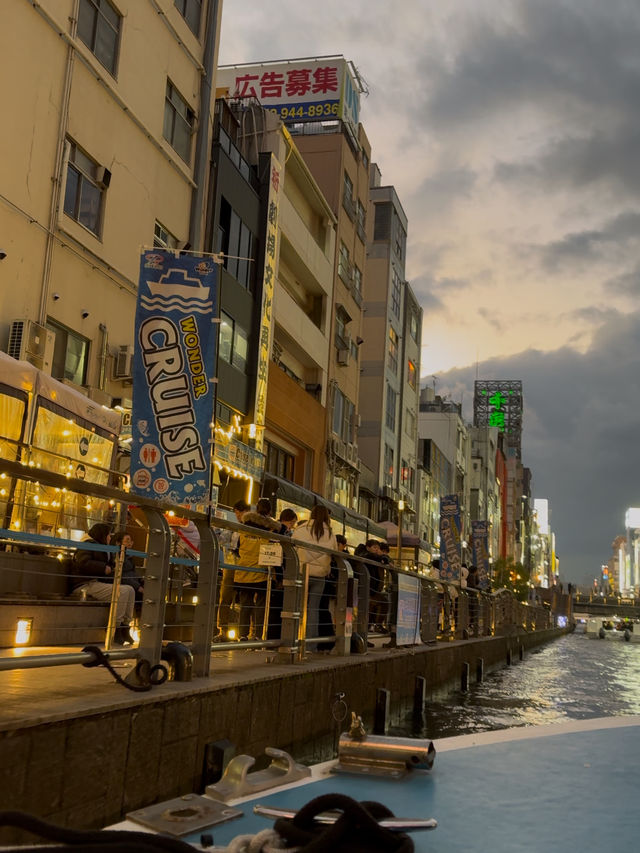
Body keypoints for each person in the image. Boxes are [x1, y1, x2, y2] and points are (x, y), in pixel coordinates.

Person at [71, 522, 135, 645]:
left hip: (95, 583)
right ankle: (114, 627)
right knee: (123, 591)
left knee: (130, 590)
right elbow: (83, 563)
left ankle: (125, 626)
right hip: (85, 584)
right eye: (108, 535)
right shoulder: (87, 546)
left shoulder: (101, 547)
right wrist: (103, 568)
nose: (110, 538)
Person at [235, 498, 281, 641]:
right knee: (260, 605)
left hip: (243, 570)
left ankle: (242, 635)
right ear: (270, 512)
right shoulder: (271, 529)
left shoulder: (242, 527)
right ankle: (258, 634)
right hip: (262, 573)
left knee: (245, 605)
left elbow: (236, 549)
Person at [292, 505, 337, 652]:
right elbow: (334, 552)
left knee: (297, 608)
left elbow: (292, 545)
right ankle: (310, 645)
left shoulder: (300, 529)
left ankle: (294, 641)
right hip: (320, 576)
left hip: (301, 573)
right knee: (313, 610)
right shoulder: (330, 534)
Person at [214, 499, 249, 642]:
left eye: (238, 513)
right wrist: (216, 529)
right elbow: (221, 540)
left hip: (244, 566)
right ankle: (223, 630)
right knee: (226, 598)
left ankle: (245, 633)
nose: (238, 516)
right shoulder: (233, 527)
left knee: (246, 600)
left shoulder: (251, 526)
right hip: (232, 566)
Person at [266, 507, 297, 640]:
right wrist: (279, 577)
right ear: (287, 521)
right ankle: (274, 637)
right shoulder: (280, 531)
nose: (291, 527)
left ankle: (273, 636)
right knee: (276, 608)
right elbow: (278, 555)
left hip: (274, 573)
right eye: (291, 524)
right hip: (277, 575)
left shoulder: (273, 529)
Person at [111, 530, 144, 604]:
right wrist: (138, 587)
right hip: (128, 585)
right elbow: (121, 575)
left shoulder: (129, 556)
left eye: (131, 541)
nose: (130, 543)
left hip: (133, 584)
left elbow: (133, 572)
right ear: (118, 543)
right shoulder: (117, 557)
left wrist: (141, 581)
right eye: (127, 541)